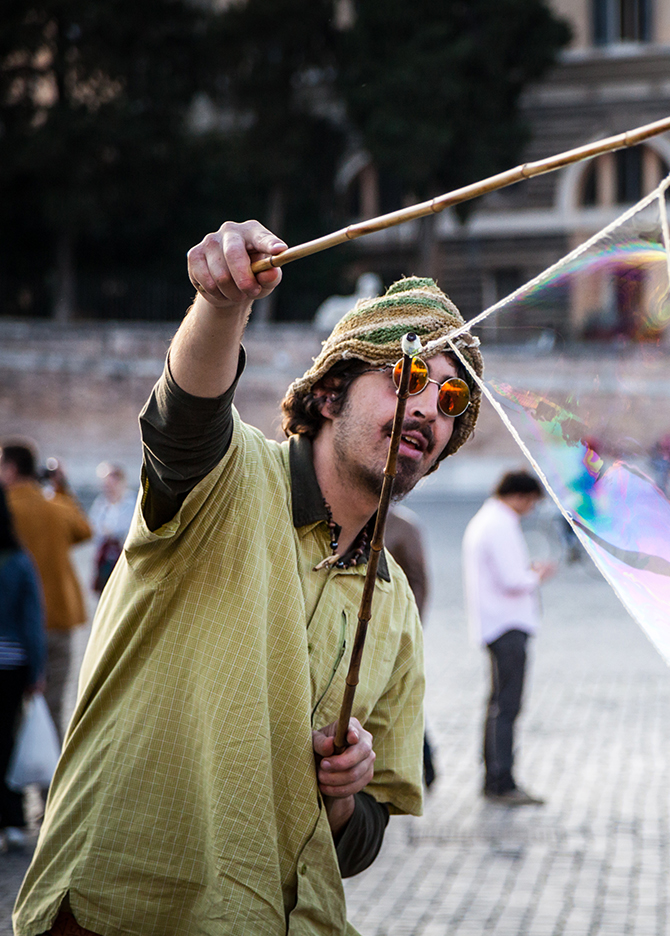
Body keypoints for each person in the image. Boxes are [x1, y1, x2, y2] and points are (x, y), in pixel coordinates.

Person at [14, 220, 485, 936]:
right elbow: (184, 421)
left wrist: (344, 791)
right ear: (328, 395)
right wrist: (222, 303)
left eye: (452, 402)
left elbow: (359, 845)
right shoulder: (227, 478)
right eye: (408, 376)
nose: (427, 407)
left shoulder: (396, 612)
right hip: (124, 911)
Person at [463, 470, 556, 806]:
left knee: (497, 704)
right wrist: (537, 574)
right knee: (507, 706)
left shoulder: (488, 520)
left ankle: (494, 776)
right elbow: (512, 578)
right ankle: (501, 780)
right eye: (531, 502)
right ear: (520, 496)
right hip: (507, 626)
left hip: (494, 624)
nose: (530, 509)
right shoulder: (499, 524)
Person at [0, 441, 91, 733]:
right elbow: (84, 530)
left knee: (8, 713)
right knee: (52, 710)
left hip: (10, 625)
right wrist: (61, 488)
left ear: (11, 469)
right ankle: (49, 774)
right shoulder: (56, 507)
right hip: (59, 618)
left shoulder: (6, 511)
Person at [0, 488, 47, 850]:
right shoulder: (17, 559)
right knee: (8, 740)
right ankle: (14, 821)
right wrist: (38, 671)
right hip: (12, 663)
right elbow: (32, 621)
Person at [382, 505, 437, 790]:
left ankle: (425, 764)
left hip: (395, 631)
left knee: (403, 697)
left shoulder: (404, 526)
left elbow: (419, 582)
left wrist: (409, 628)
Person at [87, 462, 136, 595]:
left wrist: (113, 532)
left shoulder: (133, 502)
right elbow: (93, 528)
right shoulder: (101, 504)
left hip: (126, 557)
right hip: (105, 559)